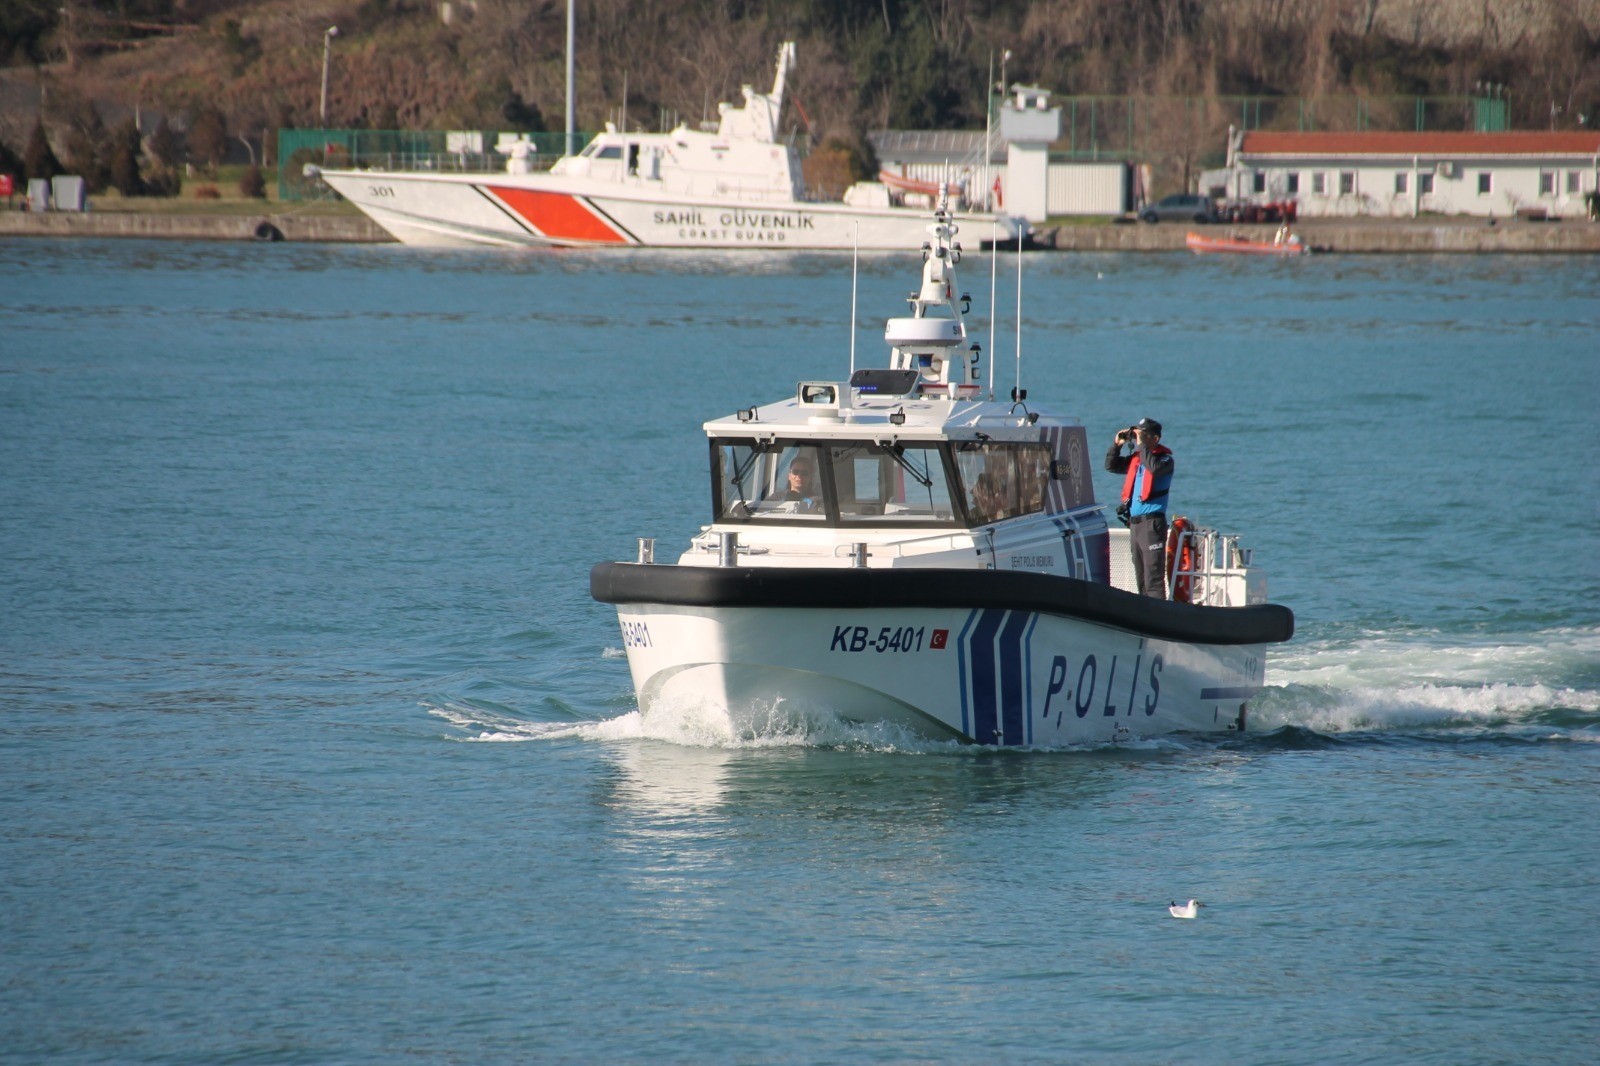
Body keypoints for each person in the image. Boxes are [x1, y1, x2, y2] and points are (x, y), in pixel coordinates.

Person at [1105, 417, 1174, 598]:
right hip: (1135, 525)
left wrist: (1142, 445)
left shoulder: (1164, 460)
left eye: (1143, 435)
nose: (1138, 439)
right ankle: (1145, 615)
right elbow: (1111, 466)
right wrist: (1117, 445)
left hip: (1152, 524)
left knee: (1153, 578)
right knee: (1141, 577)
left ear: (1155, 438)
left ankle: (1159, 616)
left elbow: (1154, 468)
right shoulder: (1137, 460)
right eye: (1138, 435)